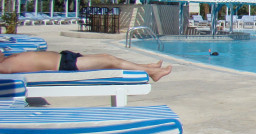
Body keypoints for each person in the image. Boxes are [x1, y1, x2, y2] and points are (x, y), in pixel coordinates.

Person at [0, 50, 172, 82]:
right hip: (65, 65)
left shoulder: (6, 61)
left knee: (107, 59)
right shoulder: (5, 67)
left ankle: (147, 66)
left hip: (65, 58)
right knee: (109, 60)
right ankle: (152, 72)